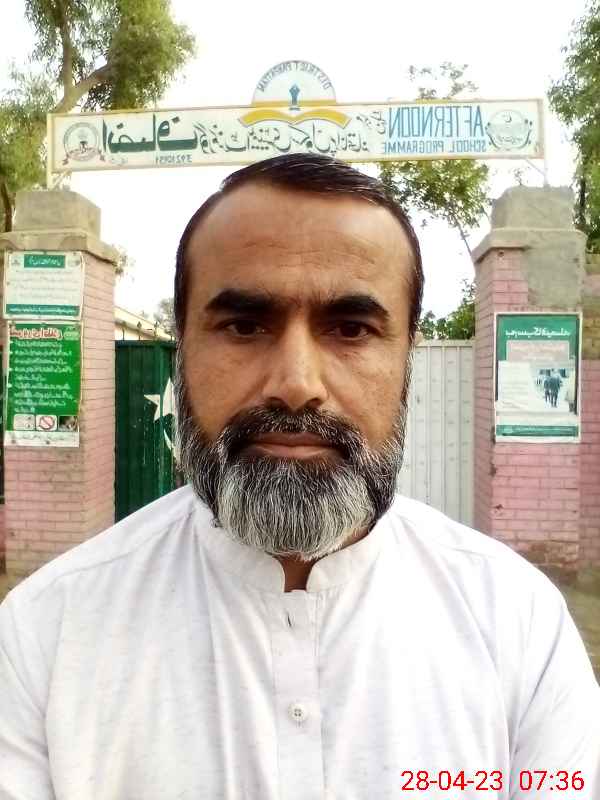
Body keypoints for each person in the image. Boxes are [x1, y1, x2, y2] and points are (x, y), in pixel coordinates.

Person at [1, 154, 599, 799]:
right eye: (244, 325)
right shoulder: (47, 632)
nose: (296, 384)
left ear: (407, 356)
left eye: (351, 329)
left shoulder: (516, 620)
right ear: (182, 347)